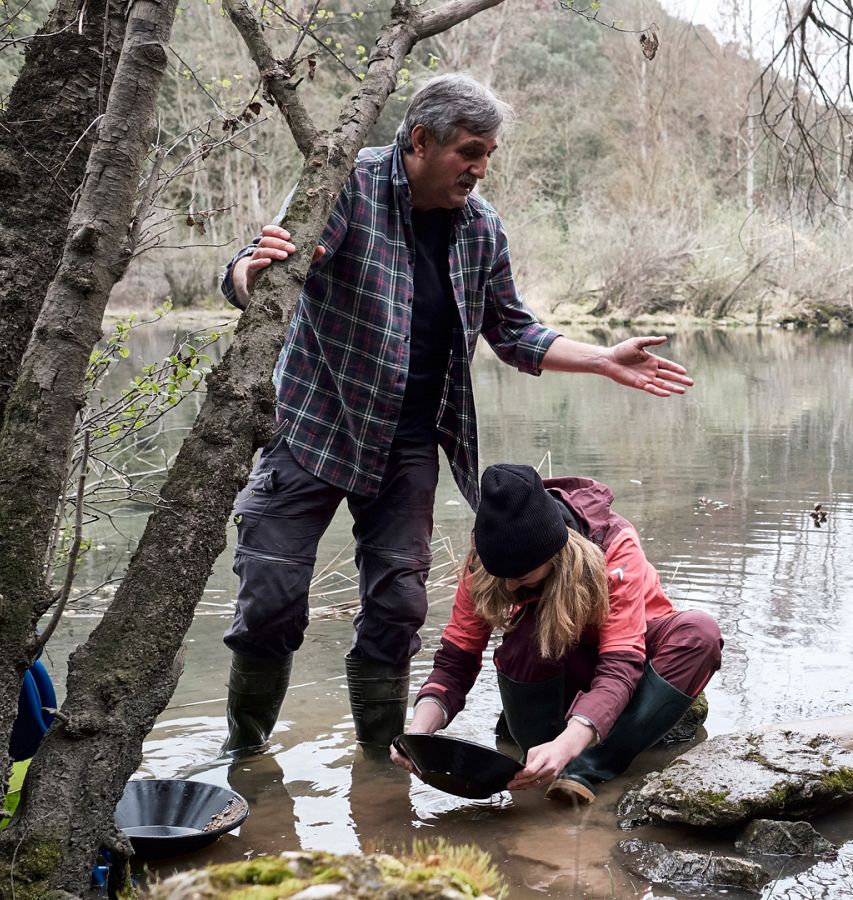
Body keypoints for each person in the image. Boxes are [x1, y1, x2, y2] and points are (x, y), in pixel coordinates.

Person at [218, 73, 694, 756]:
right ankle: (247, 760)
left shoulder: (480, 228)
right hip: (312, 426)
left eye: (489, 154)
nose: (480, 167)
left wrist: (601, 359)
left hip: (408, 443)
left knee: (397, 608)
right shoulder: (350, 186)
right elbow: (253, 268)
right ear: (419, 141)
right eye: (470, 150)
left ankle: (383, 768)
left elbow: (515, 332)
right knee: (269, 597)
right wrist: (252, 275)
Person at [391, 463, 722, 804]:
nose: (507, 585)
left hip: (631, 664)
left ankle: (586, 769)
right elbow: (455, 663)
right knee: (533, 630)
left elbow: (620, 666)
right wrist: (418, 736)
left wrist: (568, 746)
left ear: (555, 554)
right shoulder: (486, 560)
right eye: (499, 573)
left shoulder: (616, 544)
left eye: (521, 575)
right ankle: (538, 755)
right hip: (557, 669)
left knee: (700, 633)